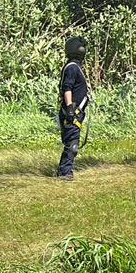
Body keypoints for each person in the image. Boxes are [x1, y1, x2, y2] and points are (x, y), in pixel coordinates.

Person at [57, 36, 90, 181]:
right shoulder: (71, 67)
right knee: (72, 144)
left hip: (77, 112)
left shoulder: (75, 66)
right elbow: (67, 88)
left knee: (72, 142)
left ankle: (65, 171)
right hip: (72, 113)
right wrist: (70, 109)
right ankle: (65, 173)